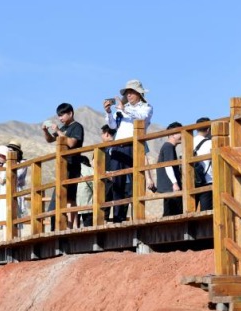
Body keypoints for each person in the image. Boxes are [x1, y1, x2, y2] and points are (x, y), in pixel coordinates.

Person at [102, 79, 154, 222]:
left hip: (134, 146)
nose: (128, 95)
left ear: (139, 93)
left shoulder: (146, 107)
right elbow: (113, 126)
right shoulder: (123, 108)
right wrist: (108, 112)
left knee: (136, 181)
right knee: (117, 182)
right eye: (127, 93)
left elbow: (142, 117)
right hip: (119, 147)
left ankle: (137, 214)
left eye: (131, 92)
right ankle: (118, 216)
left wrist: (124, 108)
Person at [42, 103, 85, 229]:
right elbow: (50, 140)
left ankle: (71, 226)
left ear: (70, 113)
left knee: (70, 197)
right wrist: (45, 131)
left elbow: (71, 143)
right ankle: (60, 225)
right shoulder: (63, 127)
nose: (60, 118)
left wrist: (58, 131)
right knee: (60, 196)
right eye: (59, 116)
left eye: (62, 115)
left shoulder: (77, 127)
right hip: (63, 166)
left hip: (73, 165)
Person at [156, 122, 183, 216]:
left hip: (168, 187)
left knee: (170, 212)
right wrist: (175, 183)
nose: (182, 135)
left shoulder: (168, 147)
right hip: (170, 187)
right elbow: (168, 166)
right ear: (172, 134)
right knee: (174, 213)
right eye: (180, 132)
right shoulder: (168, 147)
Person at [193, 117, 214, 211]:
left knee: (191, 210)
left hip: (192, 180)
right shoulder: (210, 143)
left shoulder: (189, 141)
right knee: (207, 211)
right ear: (209, 129)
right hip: (207, 179)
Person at [76, 157, 94, 227]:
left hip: (74, 205)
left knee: (74, 228)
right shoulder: (90, 170)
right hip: (87, 204)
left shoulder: (74, 169)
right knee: (88, 227)